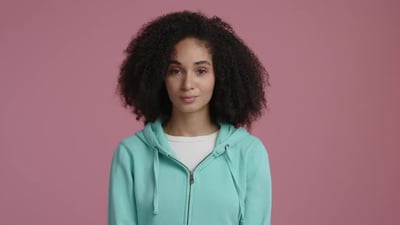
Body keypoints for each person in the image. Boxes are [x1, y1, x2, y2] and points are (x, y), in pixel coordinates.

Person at [108, 10, 272, 225]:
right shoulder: (131, 154)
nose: (187, 84)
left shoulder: (248, 153)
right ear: (159, 76)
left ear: (219, 76)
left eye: (201, 71)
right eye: (175, 71)